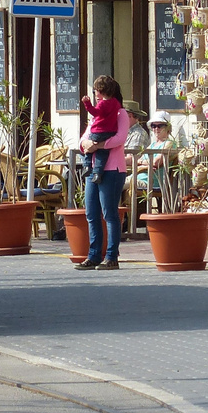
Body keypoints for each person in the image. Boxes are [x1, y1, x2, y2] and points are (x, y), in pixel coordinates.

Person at [76, 75, 127, 271]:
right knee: (91, 213)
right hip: (93, 170)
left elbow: (119, 138)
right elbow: (83, 139)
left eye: (99, 92)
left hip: (112, 169)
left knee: (110, 214)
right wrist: (86, 145)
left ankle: (111, 256)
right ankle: (94, 255)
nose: (96, 97)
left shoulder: (120, 113)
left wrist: (96, 145)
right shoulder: (96, 115)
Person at [78, 76, 122, 183]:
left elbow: (95, 112)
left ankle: (87, 166)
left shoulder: (102, 103)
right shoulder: (116, 103)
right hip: (110, 132)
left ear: (100, 91)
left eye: (95, 91)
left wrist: (87, 103)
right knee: (102, 154)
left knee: (89, 151)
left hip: (98, 131)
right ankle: (98, 172)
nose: (95, 93)